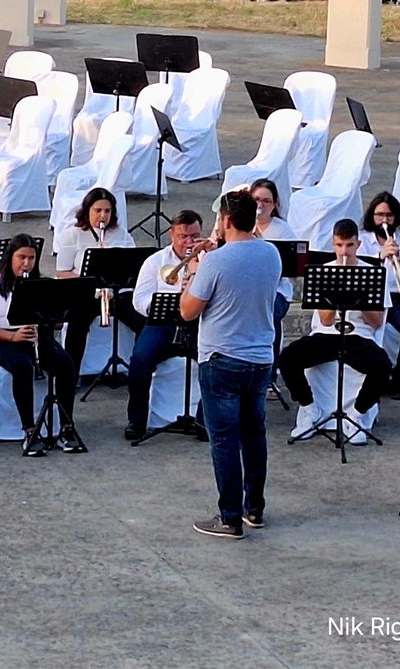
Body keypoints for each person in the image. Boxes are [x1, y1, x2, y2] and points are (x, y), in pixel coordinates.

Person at [180, 191, 281, 540]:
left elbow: (188, 310)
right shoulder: (271, 253)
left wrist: (194, 269)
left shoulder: (215, 262)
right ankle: (255, 509)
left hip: (222, 359)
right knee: (254, 436)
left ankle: (229, 518)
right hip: (260, 358)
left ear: (224, 221)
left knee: (224, 440)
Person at [278, 218, 392, 438]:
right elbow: (325, 320)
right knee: (288, 358)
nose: (344, 252)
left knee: (382, 367)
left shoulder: (372, 273)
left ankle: (358, 414)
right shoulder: (325, 271)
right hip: (327, 334)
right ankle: (310, 408)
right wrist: (336, 292)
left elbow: (377, 322)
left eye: (349, 245)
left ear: (358, 244)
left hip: (358, 335)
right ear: (333, 244)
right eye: (339, 245)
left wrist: (360, 296)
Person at [0, 234, 80, 456]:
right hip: (4, 339)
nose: (26, 263)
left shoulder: (40, 284)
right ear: (10, 257)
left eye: (31, 258)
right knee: (23, 367)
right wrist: (12, 336)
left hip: (36, 337)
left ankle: (66, 427)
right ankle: (29, 430)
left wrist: (56, 319)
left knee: (65, 364)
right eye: (21, 257)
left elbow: (55, 322)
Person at [124, 209, 206, 440]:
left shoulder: (210, 261)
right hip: (163, 323)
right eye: (183, 236)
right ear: (172, 234)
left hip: (200, 323)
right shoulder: (155, 261)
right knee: (140, 359)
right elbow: (139, 299)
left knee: (213, 362)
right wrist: (162, 303)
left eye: (194, 236)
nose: (189, 242)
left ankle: (205, 421)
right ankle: (137, 420)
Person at [55, 187, 144, 376]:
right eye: (98, 210)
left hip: (117, 293)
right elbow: (62, 271)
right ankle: (70, 375)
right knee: (77, 324)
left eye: (107, 211)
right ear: (87, 210)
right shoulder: (73, 234)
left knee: (142, 321)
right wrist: (86, 281)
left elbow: (133, 268)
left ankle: (138, 372)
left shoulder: (121, 235)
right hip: (86, 294)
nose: (103, 216)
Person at [358, 192, 400, 399]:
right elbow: (358, 272)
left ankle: (399, 381)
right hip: (371, 296)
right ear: (372, 216)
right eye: (379, 215)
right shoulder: (361, 240)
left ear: (396, 217)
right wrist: (379, 257)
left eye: (389, 215)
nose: (384, 220)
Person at [250, 179, 295, 396]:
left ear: (275, 204)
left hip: (276, 291)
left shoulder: (283, 231)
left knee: (271, 315)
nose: (261, 205)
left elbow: (290, 269)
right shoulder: (241, 225)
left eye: (266, 201)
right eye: (256, 199)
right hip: (246, 289)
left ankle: (269, 377)